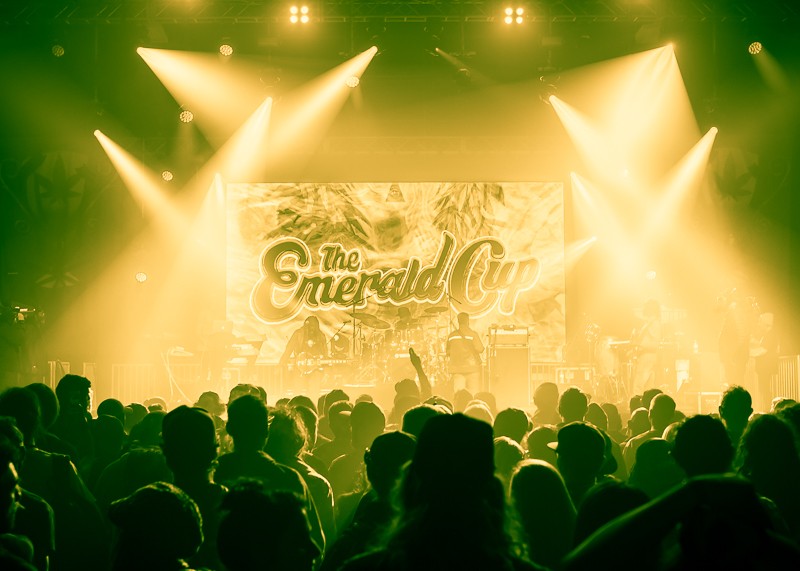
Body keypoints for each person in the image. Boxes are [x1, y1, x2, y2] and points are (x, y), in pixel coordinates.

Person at [281, 316, 328, 396]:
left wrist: (326, 371)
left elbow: (325, 354)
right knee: (297, 389)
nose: (312, 328)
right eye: (310, 325)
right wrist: (282, 363)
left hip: (315, 368)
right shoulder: (298, 333)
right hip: (299, 366)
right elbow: (289, 349)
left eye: (314, 325)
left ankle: (313, 403)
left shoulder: (320, 336)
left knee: (314, 390)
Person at [629, 300, 662, 396]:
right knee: (648, 387)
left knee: (638, 386)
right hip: (648, 356)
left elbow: (655, 344)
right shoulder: (650, 323)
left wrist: (639, 345)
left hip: (647, 356)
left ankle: (636, 402)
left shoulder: (654, 324)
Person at [446, 313, 484, 395]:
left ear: (458, 321)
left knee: (459, 395)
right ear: (467, 321)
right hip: (472, 369)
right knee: (474, 393)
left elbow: (448, 352)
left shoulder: (451, 336)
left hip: (457, 370)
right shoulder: (473, 334)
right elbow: (480, 349)